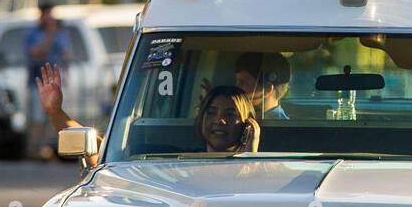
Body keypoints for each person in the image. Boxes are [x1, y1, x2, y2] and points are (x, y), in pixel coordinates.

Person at [34, 64, 260, 165]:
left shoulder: (269, 171)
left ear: (247, 125)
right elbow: (101, 154)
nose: (219, 120)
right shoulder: (172, 161)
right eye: (211, 112)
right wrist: (56, 113)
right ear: (201, 119)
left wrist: (251, 156)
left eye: (231, 115)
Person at [24, 3, 72, 158]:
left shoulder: (60, 33)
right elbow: (36, 52)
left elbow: (66, 54)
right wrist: (50, 35)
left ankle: (45, 149)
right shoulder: (33, 33)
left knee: (51, 116)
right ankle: (33, 149)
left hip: (54, 81)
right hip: (37, 81)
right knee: (37, 118)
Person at [199, 51, 291, 121]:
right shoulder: (243, 118)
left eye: (243, 83)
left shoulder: (278, 128)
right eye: (237, 82)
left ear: (267, 89)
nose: (236, 87)